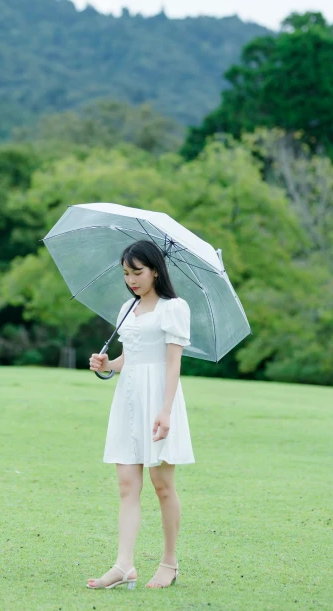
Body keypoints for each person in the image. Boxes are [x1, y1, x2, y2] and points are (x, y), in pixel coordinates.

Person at [87, 239, 195, 590]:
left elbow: (172, 362)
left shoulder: (174, 308)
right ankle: (124, 566)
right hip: (129, 399)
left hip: (160, 401)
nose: (131, 280)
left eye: (138, 272)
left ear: (155, 271)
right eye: (126, 273)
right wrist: (106, 365)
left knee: (162, 486)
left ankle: (169, 562)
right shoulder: (125, 309)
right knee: (126, 485)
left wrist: (165, 411)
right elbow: (128, 360)